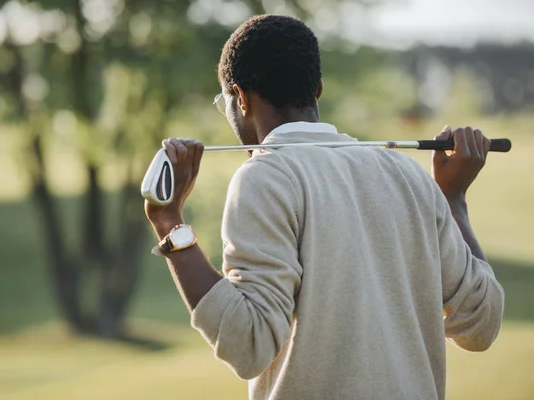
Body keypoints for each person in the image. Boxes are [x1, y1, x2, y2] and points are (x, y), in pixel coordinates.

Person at [144, 14, 504, 400]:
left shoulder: (265, 176)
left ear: (241, 97)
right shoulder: (409, 176)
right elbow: (482, 322)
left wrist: (169, 223)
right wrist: (454, 200)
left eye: (226, 103)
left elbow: (249, 344)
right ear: (316, 90)